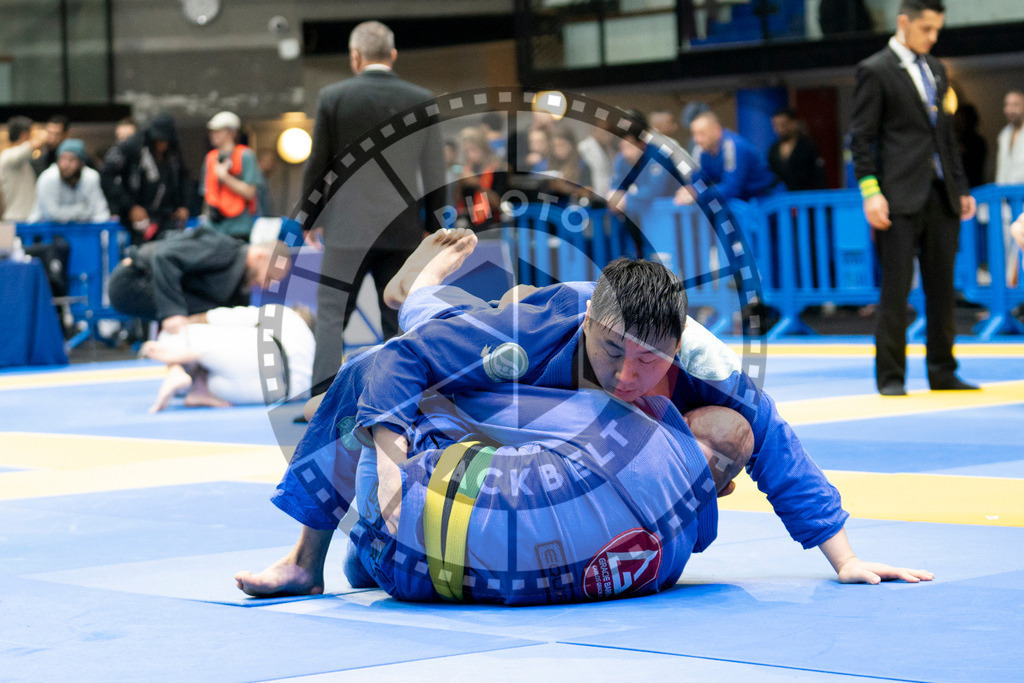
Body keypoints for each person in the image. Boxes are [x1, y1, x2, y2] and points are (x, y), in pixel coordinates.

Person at [236, 234, 933, 599]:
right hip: (515, 384)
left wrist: (842, 555)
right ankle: (304, 558)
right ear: (592, 325)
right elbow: (396, 364)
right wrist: (388, 463)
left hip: (570, 430)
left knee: (735, 427)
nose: (632, 376)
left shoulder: (700, 359)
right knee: (394, 360)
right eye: (614, 353)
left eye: (649, 363)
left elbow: (775, 440)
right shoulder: (546, 329)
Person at [302, 19, 444, 395]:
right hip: (402, 229)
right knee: (398, 316)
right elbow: (435, 171)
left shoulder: (334, 97)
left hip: (345, 230)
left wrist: (307, 218)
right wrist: (433, 223)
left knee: (332, 315)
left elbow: (319, 164)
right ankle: (406, 396)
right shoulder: (421, 99)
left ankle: (321, 401)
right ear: (392, 55)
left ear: (355, 56)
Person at [849, 0, 978, 396]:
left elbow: (946, 138)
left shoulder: (936, 69)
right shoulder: (875, 70)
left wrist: (961, 186)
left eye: (937, 29)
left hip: (940, 195)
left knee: (942, 287)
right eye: (926, 29)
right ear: (903, 22)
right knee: (896, 290)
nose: (933, 37)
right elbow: (862, 139)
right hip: (898, 196)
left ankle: (943, 369)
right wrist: (872, 193)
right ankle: (891, 377)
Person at [107, 225, 285, 333]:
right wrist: (172, 312)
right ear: (259, 257)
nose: (264, 286)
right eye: (268, 278)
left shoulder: (239, 282)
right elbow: (164, 257)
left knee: (224, 317)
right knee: (206, 318)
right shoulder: (221, 247)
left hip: (147, 280)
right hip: (132, 279)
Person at [141, 303, 315, 413]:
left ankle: (177, 372)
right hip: (268, 395)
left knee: (172, 333)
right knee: (206, 364)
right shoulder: (314, 357)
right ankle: (198, 389)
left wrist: (190, 320)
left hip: (259, 359)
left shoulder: (289, 316)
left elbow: (228, 316)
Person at [101, 113, 191, 245]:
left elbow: (183, 177)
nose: (162, 144)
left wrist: (184, 205)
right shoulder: (133, 145)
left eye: (165, 141)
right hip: (137, 216)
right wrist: (130, 207)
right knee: (140, 254)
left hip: (166, 215)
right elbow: (106, 176)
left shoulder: (172, 153)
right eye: (159, 140)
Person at [676, 111, 780, 204]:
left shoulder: (733, 146)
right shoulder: (700, 149)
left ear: (716, 130)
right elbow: (697, 180)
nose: (697, 139)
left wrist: (698, 195)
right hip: (745, 201)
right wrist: (689, 191)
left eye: (702, 133)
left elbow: (731, 188)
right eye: (694, 134)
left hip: (768, 198)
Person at [201, 111, 263, 241]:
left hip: (239, 227)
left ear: (232, 132)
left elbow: (250, 192)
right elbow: (207, 194)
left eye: (218, 131)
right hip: (214, 226)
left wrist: (225, 177)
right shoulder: (210, 158)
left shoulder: (245, 155)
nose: (213, 135)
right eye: (212, 131)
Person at [27, 139, 110, 223]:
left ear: (81, 163)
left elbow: (100, 211)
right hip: (44, 232)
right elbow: (51, 214)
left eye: (71, 160)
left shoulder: (91, 177)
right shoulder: (48, 178)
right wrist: (82, 209)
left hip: (80, 232)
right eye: (62, 159)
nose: (65, 165)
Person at [768, 108, 827, 191]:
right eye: (776, 125)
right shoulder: (773, 150)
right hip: (782, 198)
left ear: (794, 124)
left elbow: (819, 177)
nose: (779, 129)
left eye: (783, 125)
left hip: (804, 197)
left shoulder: (808, 147)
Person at [1, 116, 47, 221]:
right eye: (31, 134)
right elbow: (34, 144)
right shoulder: (8, 156)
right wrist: (45, 134)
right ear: (25, 135)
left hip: (26, 217)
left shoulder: (23, 159)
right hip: (15, 218)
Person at [995, 89, 1024, 185]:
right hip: (1005, 193)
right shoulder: (1003, 135)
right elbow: (1001, 168)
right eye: (1007, 105)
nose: (1010, 110)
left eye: (1015, 105)